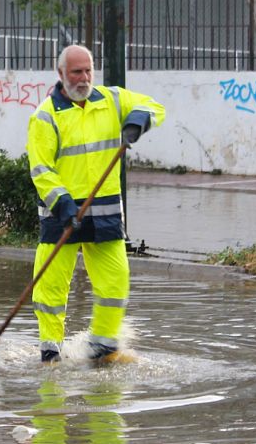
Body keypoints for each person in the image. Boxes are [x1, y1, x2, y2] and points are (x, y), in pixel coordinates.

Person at [26, 44, 165, 364]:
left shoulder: (112, 99)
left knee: (115, 280)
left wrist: (137, 122)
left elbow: (155, 107)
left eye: (88, 70)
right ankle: (50, 350)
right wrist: (63, 205)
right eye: (77, 72)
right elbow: (41, 170)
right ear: (61, 74)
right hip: (62, 214)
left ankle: (103, 345)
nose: (84, 78)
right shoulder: (45, 116)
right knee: (50, 287)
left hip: (104, 214)